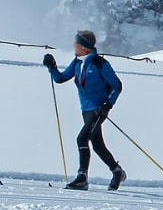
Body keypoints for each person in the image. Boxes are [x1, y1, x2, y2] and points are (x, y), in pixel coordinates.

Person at [43, 30, 127, 191]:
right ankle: (117, 172)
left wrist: (108, 105)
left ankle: (82, 178)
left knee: (82, 139)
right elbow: (60, 78)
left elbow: (117, 85)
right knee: (97, 145)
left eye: (76, 43)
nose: (73, 45)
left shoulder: (100, 64)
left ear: (83, 47)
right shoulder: (77, 62)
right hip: (86, 109)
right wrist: (52, 66)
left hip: (98, 109)